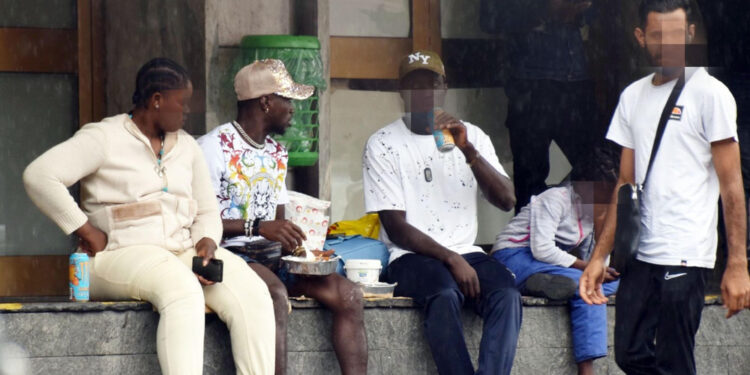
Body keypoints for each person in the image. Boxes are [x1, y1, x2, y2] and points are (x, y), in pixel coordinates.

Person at [22, 58, 275, 375]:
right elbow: (40, 176)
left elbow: (208, 210)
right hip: (115, 254)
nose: (187, 113)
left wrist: (207, 243)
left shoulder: (186, 146)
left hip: (180, 252)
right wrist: (85, 230)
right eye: (181, 104)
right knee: (183, 290)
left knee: (252, 293)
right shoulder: (104, 137)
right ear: (156, 100)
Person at [579, 1, 750, 374]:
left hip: (687, 253)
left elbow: (732, 186)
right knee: (628, 354)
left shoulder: (711, 94)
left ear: (689, 35)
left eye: (677, 34)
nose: (670, 44)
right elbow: (625, 184)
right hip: (640, 252)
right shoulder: (632, 96)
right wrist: (598, 258)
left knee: (674, 360)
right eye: (659, 35)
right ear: (641, 38)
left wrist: (737, 263)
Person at [197, 59, 368, 375]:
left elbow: (277, 223)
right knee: (273, 293)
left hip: (271, 258)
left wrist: (301, 247)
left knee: (349, 294)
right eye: (286, 99)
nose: (292, 108)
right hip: (231, 256)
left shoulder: (276, 152)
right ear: (265, 102)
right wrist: (261, 227)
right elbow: (200, 223)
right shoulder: (211, 148)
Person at [363, 50, 521, 375]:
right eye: (414, 87)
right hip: (409, 256)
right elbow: (395, 227)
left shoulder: (472, 136)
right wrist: (450, 258)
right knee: (444, 292)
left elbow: (507, 200)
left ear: (444, 88)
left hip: (468, 252)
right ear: (401, 92)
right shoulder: (383, 144)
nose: (424, 95)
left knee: (506, 293)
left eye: (431, 85)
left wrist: (467, 150)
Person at [491, 153, 620, 375]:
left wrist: (600, 268)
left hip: (551, 266)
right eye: (601, 192)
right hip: (513, 258)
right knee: (587, 284)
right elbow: (542, 249)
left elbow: (595, 254)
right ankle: (587, 370)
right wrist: (587, 269)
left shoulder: (593, 211)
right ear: (582, 186)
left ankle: (543, 283)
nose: (605, 199)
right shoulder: (555, 199)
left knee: (611, 284)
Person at [480, 0, 601, 212]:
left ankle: (578, 233)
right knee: (529, 187)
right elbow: (490, 18)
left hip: (575, 84)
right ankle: (531, 240)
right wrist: (543, 11)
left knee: (599, 170)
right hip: (529, 89)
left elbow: (599, 11)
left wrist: (581, 10)